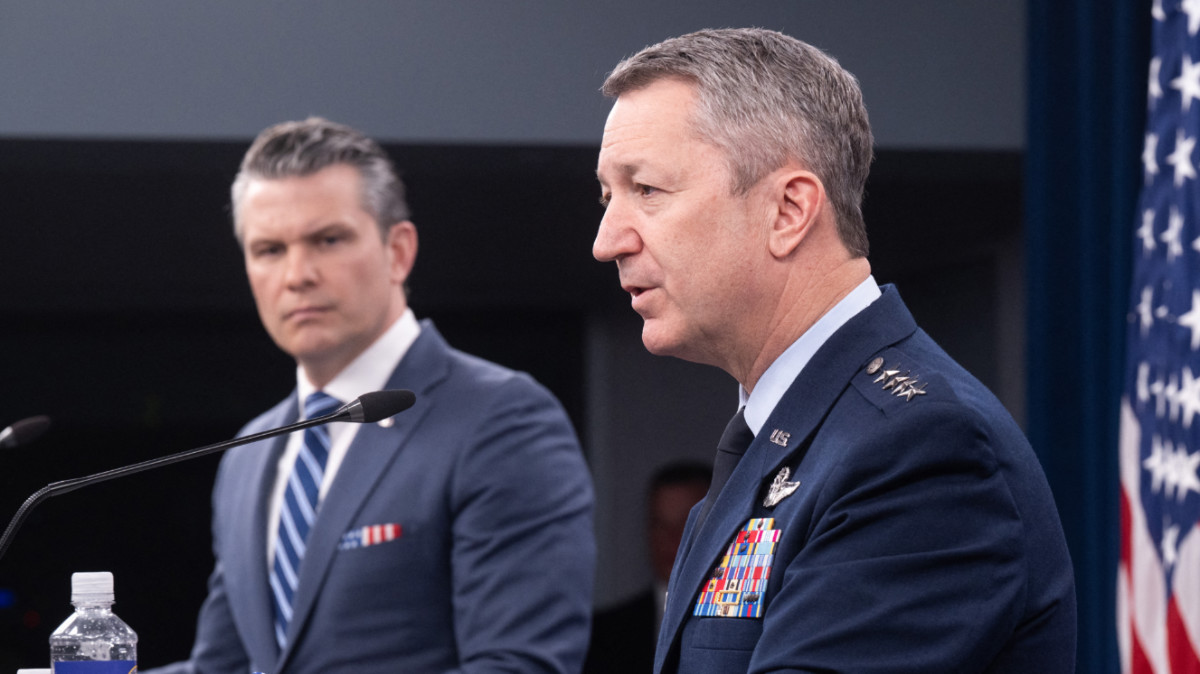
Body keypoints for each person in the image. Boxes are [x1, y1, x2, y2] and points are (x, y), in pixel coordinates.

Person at [592, 28, 1076, 673]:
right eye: (608, 198)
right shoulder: (790, 435)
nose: (607, 241)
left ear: (789, 210)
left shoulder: (920, 447)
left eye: (647, 190)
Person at [147, 118, 595, 674]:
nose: (297, 275)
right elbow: (224, 668)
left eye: (328, 240)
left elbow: (518, 666)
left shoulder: (501, 419)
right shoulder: (250, 451)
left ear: (398, 251)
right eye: (269, 249)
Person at [585, 462, 711, 674]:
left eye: (685, 525)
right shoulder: (603, 635)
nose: (670, 539)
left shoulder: (751, 627)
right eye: (660, 525)